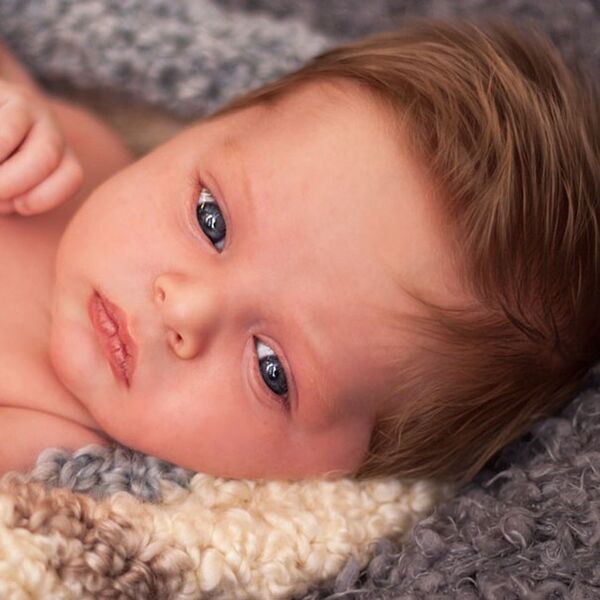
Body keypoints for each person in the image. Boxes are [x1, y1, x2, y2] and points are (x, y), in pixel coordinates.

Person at [0, 16, 598, 484]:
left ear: (335, 472)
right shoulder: (67, 150)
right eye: (211, 221)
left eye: (271, 369)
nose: (186, 307)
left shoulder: (42, 435)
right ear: (204, 125)